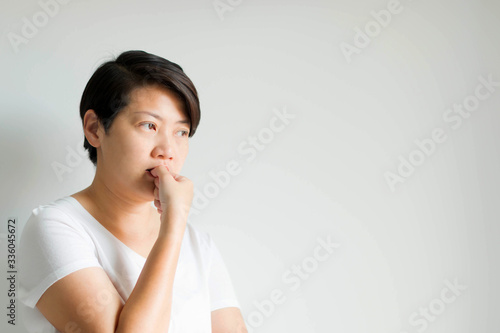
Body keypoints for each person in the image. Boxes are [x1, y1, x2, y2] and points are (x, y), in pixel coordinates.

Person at [18, 50, 248, 333]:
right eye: (149, 125)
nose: (167, 151)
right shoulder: (55, 227)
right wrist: (173, 223)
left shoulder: (198, 245)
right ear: (94, 129)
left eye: (181, 132)